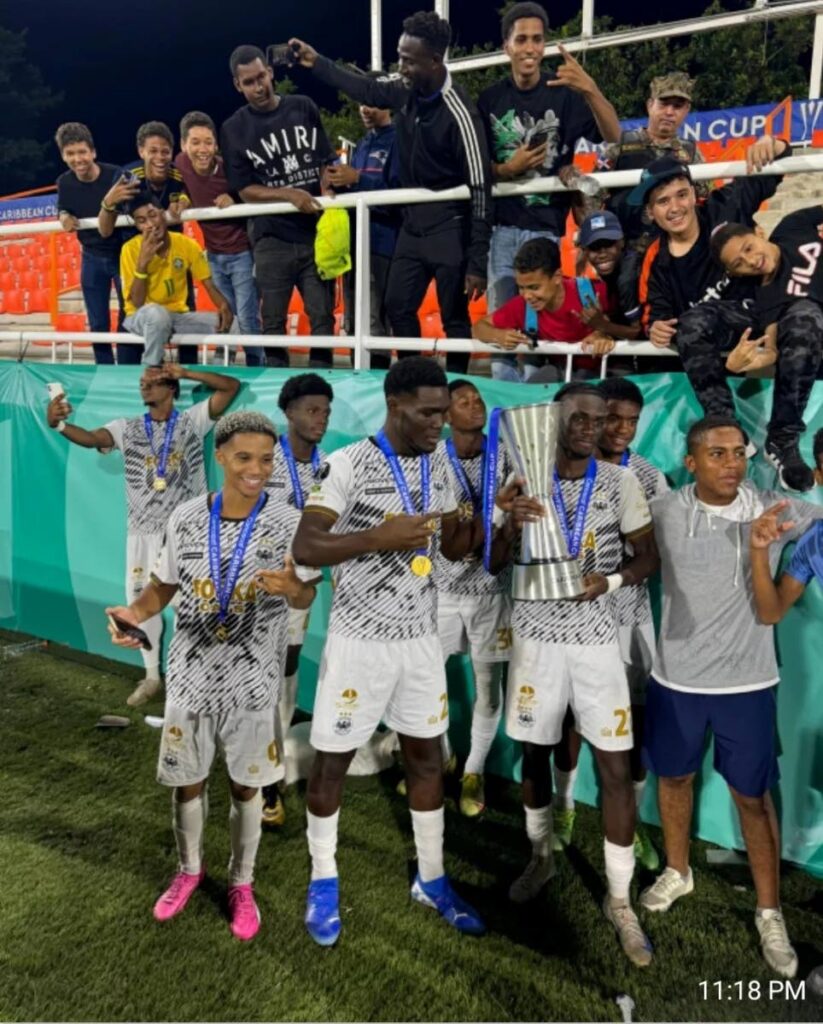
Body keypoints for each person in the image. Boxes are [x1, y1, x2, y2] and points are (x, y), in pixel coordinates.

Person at [291, 356, 513, 947]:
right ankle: (323, 879)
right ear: (395, 406)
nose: (441, 422)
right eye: (429, 412)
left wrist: (494, 514)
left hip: (420, 640)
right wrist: (377, 538)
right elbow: (306, 545)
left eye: (444, 411)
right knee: (332, 762)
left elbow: (459, 548)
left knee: (424, 759)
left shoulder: (438, 465)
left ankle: (433, 879)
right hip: (359, 642)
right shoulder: (348, 464)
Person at [105, 410, 317, 942]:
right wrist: (133, 614)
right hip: (192, 676)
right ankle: (189, 870)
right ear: (220, 457)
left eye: (267, 459)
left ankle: (241, 883)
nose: (257, 470)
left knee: (247, 789)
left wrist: (292, 590)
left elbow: (308, 591)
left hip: (251, 682)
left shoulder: (290, 521)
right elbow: (162, 589)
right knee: (187, 784)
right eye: (244, 458)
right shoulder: (184, 517)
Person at [640, 415, 823, 979]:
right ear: (691, 462)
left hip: (748, 683)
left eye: (739, 453)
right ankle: (678, 869)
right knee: (674, 780)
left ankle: (769, 911)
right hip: (676, 680)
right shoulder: (665, 509)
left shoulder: (774, 507)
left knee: (753, 798)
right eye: (717, 454)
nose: (731, 464)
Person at [490, 383, 659, 968]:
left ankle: (619, 900)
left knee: (614, 764)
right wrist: (509, 523)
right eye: (579, 416)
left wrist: (607, 583)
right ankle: (541, 857)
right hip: (535, 638)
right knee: (535, 754)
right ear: (553, 421)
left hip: (596, 640)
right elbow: (492, 561)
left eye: (599, 417)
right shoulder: (520, 478)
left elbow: (648, 558)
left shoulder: (620, 483)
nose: (591, 425)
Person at [290, 10, 492, 374]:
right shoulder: (405, 90)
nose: (401, 67)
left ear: (435, 60)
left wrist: (477, 262)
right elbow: (367, 89)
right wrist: (315, 61)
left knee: (454, 319)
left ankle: (458, 389)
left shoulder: (461, 114)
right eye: (399, 56)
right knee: (398, 306)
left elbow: (480, 188)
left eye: (408, 60)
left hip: (450, 227)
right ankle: (418, 380)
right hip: (412, 228)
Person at [45, 364, 240, 705]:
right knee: (141, 607)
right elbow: (91, 439)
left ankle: (190, 677)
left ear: (171, 388)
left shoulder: (193, 421)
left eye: (153, 382)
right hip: (143, 535)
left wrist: (188, 373)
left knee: (192, 608)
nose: (145, 387)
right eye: (142, 383)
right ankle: (151, 677)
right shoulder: (128, 428)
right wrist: (58, 424)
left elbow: (230, 387)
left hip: (188, 535)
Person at [549, 378, 669, 871]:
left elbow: (655, 552)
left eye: (630, 421)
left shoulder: (647, 475)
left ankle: (632, 820)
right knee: (570, 718)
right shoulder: (562, 469)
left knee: (634, 723)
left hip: (628, 613)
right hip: (571, 619)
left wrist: (617, 579)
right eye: (611, 418)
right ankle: (564, 806)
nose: (620, 429)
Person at [477, 2, 620, 382]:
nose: (530, 48)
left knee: (536, 338)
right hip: (501, 231)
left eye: (538, 40)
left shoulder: (566, 95)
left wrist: (589, 87)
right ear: (506, 46)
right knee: (502, 338)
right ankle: (503, 419)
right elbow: (476, 169)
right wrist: (509, 169)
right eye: (521, 39)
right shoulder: (489, 99)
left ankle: (533, 412)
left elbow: (614, 138)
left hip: (544, 227)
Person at [635, 153, 788, 448]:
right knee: (690, 325)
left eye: (682, 194)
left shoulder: (724, 207)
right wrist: (655, 329)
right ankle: (728, 430)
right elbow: (657, 317)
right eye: (663, 201)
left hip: (766, 317)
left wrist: (776, 145)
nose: (676, 207)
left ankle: (726, 427)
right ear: (651, 212)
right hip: (721, 350)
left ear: (695, 194)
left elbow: (775, 167)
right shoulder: (655, 259)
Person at [220, 45, 336, 368]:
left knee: (323, 318)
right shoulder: (233, 129)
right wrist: (289, 194)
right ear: (237, 85)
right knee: (272, 323)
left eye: (261, 77)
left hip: (317, 234)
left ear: (271, 72)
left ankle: (321, 388)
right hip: (271, 239)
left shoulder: (303, 106)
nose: (259, 87)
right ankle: (277, 395)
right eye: (249, 82)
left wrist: (330, 182)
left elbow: (326, 159)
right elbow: (243, 190)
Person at [434, 379, 512, 817]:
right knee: (430, 680)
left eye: (478, 399)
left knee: (489, 687)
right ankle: (443, 756)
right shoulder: (432, 458)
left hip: (491, 591)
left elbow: (513, 517)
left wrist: (498, 517)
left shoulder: (505, 458)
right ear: (446, 416)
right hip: (442, 589)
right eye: (462, 402)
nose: (473, 406)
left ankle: (474, 769)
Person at [260, 372, 333, 828]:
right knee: (259, 668)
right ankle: (256, 764)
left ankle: (271, 769)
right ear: (288, 412)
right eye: (311, 410)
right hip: (262, 581)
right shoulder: (265, 459)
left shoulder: (328, 466)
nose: (320, 419)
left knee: (287, 665)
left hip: (302, 586)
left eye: (326, 411)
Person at [710, 208, 823, 491]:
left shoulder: (791, 227)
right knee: (805, 315)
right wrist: (735, 367)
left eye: (749, 248)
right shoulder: (767, 295)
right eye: (739, 263)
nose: (751, 260)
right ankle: (782, 437)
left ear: (759, 232)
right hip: (816, 330)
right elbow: (772, 349)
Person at [175, 111, 265, 368]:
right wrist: (182, 198)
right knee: (225, 314)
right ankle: (223, 369)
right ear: (183, 145)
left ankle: (257, 370)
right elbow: (179, 186)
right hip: (213, 255)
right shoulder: (180, 163)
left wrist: (234, 198)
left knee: (247, 318)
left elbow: (255, 191)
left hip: (242, 254)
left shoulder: (229, 169)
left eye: (208, 142)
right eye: (195, 142)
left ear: (216, 145)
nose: (202, 149)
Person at [471, 237, 615, 382]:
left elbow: (630, 328)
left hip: (606, 371)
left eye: (534, 287)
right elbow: (478, 328)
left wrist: (604, 332)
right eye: (521, 287)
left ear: (557, 277)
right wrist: (498, 335)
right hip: (563, 374)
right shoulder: (522, 305)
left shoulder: (595, 291)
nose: (527, 296)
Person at [120, 192, 233, 365]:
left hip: (177, 316)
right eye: (142, 221)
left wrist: (224, 306)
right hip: (140, 317)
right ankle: (152, 371)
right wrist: (142, 264)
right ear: (137, 226)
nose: (150, 224)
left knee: (233, 323)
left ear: (162, 214)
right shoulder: (130, 249)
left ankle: (221, 374)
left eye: (153, 215)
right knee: (157, 314)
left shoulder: (185, 244)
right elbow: (137, 302)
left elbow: (208, 284)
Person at [328, 87, 398, 365]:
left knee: (375, 318)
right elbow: (355, 190)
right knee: (355, 316)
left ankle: (379, 381)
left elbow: (398, 192)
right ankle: (361, 377)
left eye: (372, 102)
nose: (365, 109)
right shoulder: (361, 144)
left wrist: (356, 177)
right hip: (355, 245)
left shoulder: (401, 141)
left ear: (388, 103)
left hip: (384, 243)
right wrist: (336, 188)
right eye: (361, 103)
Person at [602, 73, 703, 252]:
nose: (670, 112)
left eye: (678, 106)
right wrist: (598, 239)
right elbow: (592, 193)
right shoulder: (621, 146)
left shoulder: (691, 155)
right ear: (650, 105)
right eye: (664, 104)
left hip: (677, 248)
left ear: (686, 110)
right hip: (629, 249)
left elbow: (705, 199)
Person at [54, 122, 127, 365]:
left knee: (128, 315)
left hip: (122, 254)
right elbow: (63, 208)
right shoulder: (64, 182)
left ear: (93, 152)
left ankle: (129, 366)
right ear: (63, 156)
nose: (78, 159)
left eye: (82, 152)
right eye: (71, 153)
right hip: (91, 256)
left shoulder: (115, 174)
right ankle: (104, 370)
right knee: (97, 321)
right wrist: (64, 216)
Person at [577, 211, 642, 343]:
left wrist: (602, 326)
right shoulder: (619, 268)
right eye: (594, 247)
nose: (602, 254)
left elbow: (640, 332)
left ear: (622, 242)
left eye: (608, 244)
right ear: (585, 251)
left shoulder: (627, 279)